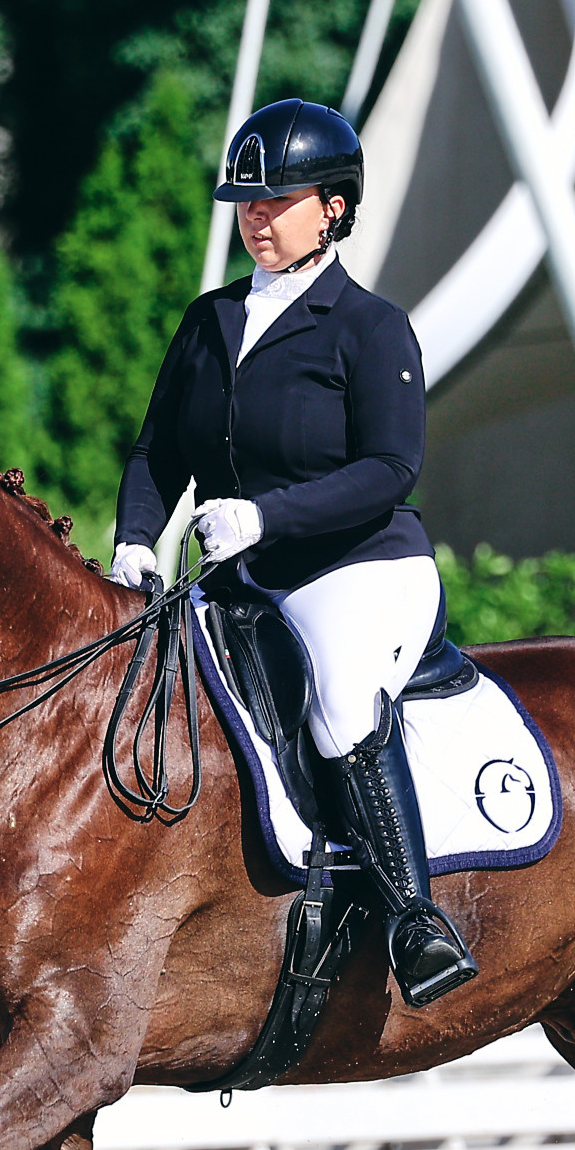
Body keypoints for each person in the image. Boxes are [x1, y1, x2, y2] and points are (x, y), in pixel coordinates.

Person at [109, 98, 478, 1009]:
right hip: (243, 575)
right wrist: (133, 539)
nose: (256, 217)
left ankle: (414, 919)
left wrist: (267, 518)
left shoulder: (370, 326)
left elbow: (390, 467)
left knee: (342, 702)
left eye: (278, 200)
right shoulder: (208, 323)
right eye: (247, 201)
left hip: (358, 569)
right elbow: (159, 452)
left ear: (335, 208)